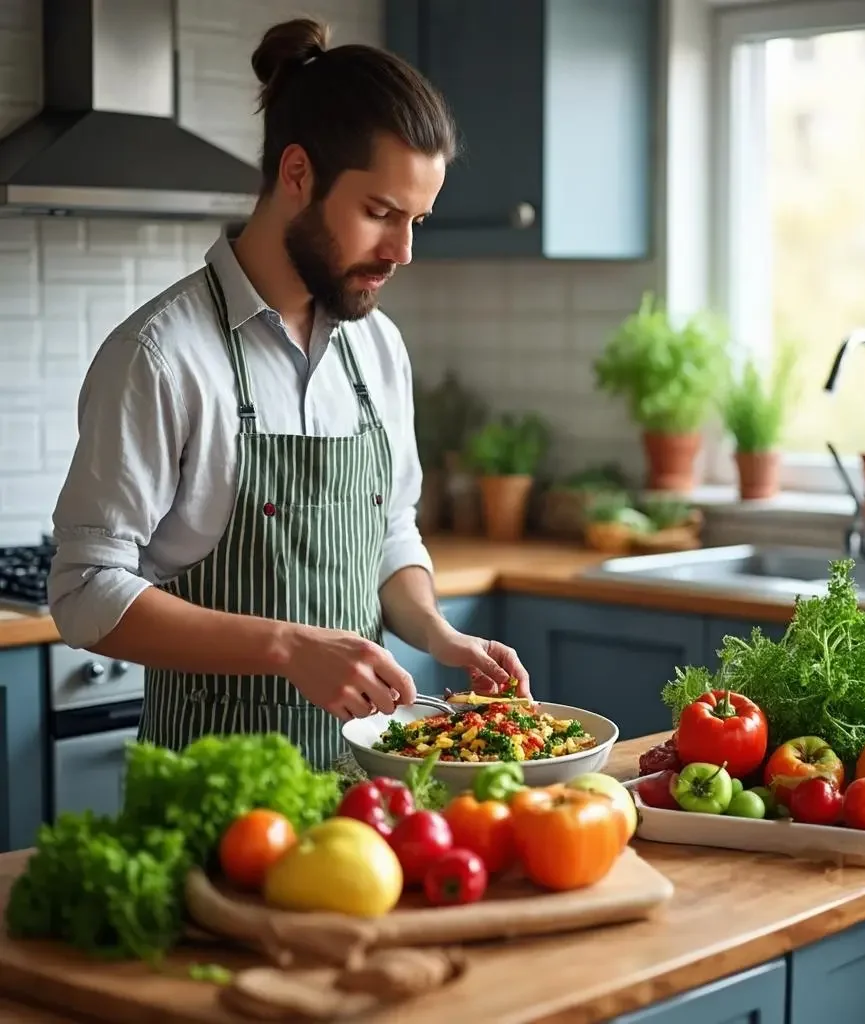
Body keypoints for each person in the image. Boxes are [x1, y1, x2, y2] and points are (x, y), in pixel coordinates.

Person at [46, 18, 530, 771]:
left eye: (416, 221)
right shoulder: (160, 355)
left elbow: (389, 533)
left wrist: (437, 631)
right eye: (380, 213)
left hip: (362, 792)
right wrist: (286, 646)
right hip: (213, 799)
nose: (403, 252)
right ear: (298, 173)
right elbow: (85, 592)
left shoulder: (378, 349)